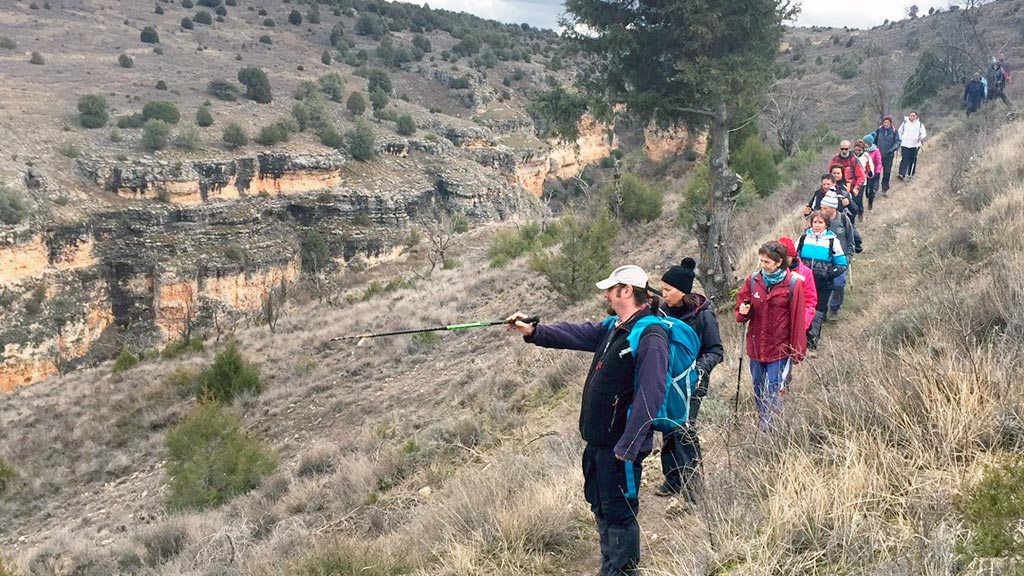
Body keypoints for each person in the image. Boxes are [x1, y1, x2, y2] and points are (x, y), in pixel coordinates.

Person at [507, 265, 669, 576]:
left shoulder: (650, 335)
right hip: (599, 445)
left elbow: (651, 394)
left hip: (621, 448)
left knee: (620, 514)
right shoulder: (615, 326)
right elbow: (575, 333)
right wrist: (534, 331)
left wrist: (629, 445)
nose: (606, 294)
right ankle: (609, 569)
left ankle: (622, 572)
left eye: (611, 289)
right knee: (602, 509)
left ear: (626, 291)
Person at [655, 258, 723, 503]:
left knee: (683, 430)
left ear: (682, 291)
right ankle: (672, 479)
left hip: (692, 383)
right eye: (662, 289)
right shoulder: (661, 312)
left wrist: (698, 370)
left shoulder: (702, 315)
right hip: (666, 381)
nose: (664, 295)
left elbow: (716, 351)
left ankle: (694, 488)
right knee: (667, 427)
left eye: (668, 290)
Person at [734, 242, 806, 430]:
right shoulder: (753, 281)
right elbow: (742, 311)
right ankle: (763, 416)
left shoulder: (793, 284)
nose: (763, 265)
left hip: (780, 347)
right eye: (761, 260)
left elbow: (798, 317)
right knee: (758, 386)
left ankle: (770, 426)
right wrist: (743, 311)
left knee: (774, 387)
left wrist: (797, 350)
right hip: (756, 346)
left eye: (767, 261)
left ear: (779, 262)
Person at [798, 211, 848, 352]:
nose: (817, 225)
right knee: (802, 311)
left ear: (826, 224)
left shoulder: (832, 241)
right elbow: (794, 258)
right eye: (815, 222)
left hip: (823, 284)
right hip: (803, 283)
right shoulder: (803, 239)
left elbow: (842, 264)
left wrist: (828, 274)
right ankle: (800, 341)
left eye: (820, 222)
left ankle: (812, 343)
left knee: (818, 312)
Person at [819, 194, 859, 322]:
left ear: (833, 208)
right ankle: (821, 310)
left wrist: (848, 256)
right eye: (822, 207)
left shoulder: (843, 219)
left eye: (825, 208)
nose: (822, 210)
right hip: (823, 259)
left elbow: (850, 239)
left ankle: (834, 308)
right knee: (822, 286)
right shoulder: (820, 221)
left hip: (840, 259)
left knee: (838, 284)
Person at [777, 237, 817, 335]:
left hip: (796, 320)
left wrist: (802, 325)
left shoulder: (806, 273)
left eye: (787, 258)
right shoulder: (770, 273)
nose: (784, 261)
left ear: (793, 256)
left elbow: (810, 302)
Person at [873, 115, 900, 195]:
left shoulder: (895, 131)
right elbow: (874, 141)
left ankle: (884, 189)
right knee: (877, 172)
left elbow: (898, 142)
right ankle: (875, 188)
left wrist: (892, 149)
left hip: (889, 155)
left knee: (887, 173)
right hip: (878, 155)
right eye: (885, 122)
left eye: (888, 122)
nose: (886, 124)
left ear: (890, 123)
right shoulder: (878, 130)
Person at [897, 111, 927, 180]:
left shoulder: (920, 124)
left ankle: (911, 173)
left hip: (915, 144)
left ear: (916, 116)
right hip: (905, 144)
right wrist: (902, 138)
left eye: (913, 116)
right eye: (911, 115)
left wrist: (921, 137)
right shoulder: (905, 123)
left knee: (913, 159)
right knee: (904, 158)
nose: (912, 117)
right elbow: (899, 131)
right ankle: (901, 173)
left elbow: (924, 133)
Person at [850, 140, 873, 221]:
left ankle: (860, 212)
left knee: (858, 199)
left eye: (859, 150)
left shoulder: (866, 157)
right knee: (851, 198)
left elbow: (870, 168)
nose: (857, 152)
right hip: (851, 181)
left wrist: (870, 173)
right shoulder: (851, 157)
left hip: (862, 181)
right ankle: (852, 214)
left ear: (863, 150)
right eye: (856, 150)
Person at [862, 134, 883, 210]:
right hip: (864, 174)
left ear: (869, 143)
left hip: (873, 174)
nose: (864, 144)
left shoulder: (876, 151)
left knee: (871, 191)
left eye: (865, 143)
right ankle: (868, 197)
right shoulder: (862, 151)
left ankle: (870, 203)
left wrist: (877, 172)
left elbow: (879, 162)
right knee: (866, 190)